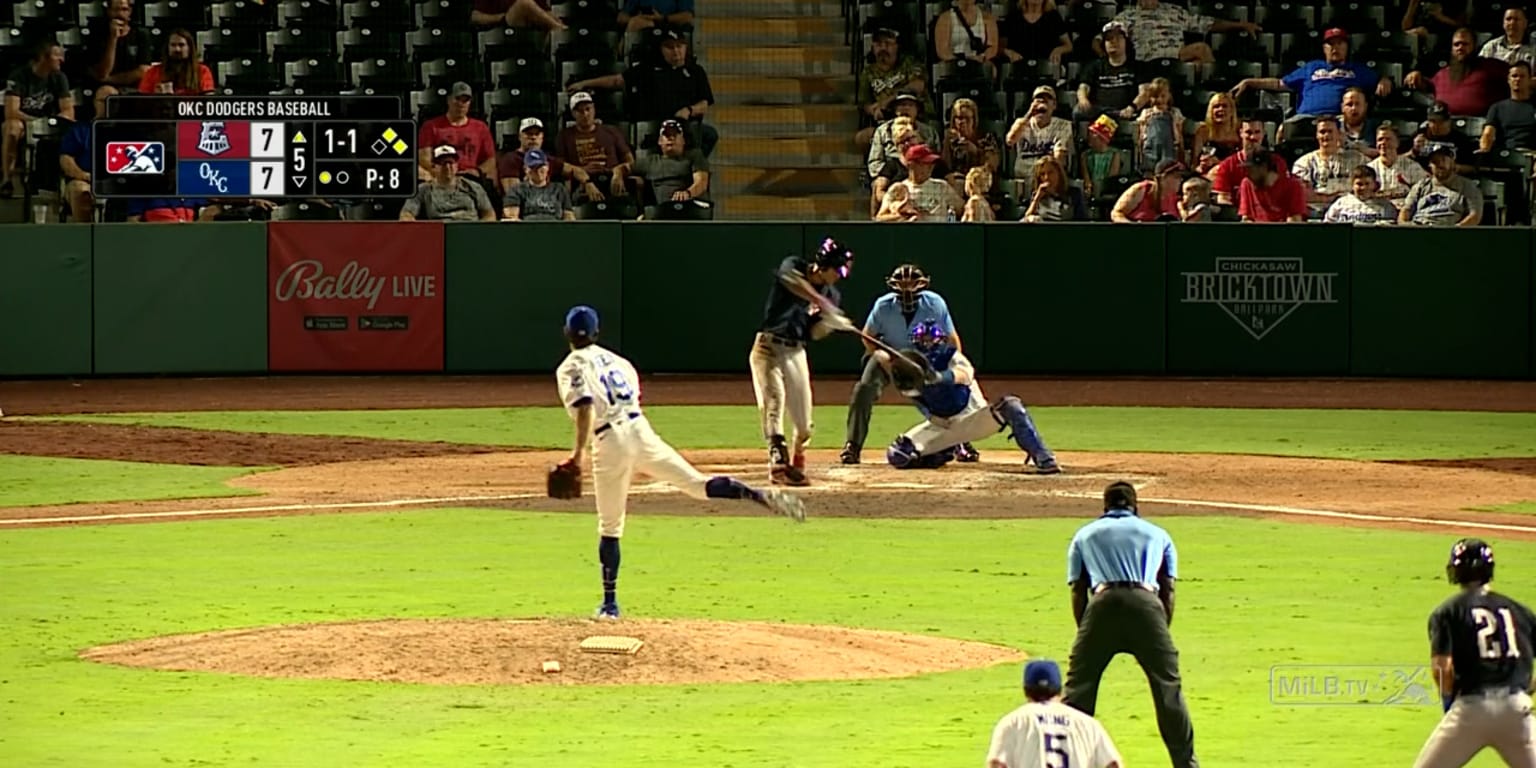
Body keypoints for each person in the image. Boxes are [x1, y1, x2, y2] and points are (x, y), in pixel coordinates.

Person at [556, 307, 805, 618]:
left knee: (610, 526)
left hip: (610, 442)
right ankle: (756, 494)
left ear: (566, 333)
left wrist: (577, 455)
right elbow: (630, 397)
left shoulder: (569, 367)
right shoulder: (619, 361)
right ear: (596, 333)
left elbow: (585, 409)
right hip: (640, 429)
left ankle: (610, 604)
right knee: (697, 485)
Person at [1063, 481, 1197, 768]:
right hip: (1146, 604)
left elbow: (1078, 589)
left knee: (1079, 690)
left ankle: (1067, 762)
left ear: (1105, 507)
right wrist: (1160, 628)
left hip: (1102, 604)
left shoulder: (1084, 535)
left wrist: (1085, 634)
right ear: (1136, 507)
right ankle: (1186, 765)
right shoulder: (1159, 534)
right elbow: (1168, 588)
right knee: (1167, 689)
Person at [1411, 538, 1536, 768]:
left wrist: (1449, 703)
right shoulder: (1520, 611)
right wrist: (1527, 689)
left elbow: (1442, 667)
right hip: (1517, 710)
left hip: (1472, 709)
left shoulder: (1448, 611)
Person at [880, 321, 1059, 473]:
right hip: (941, 425)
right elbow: (909, 391)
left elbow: (964, 375)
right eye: (922, 341)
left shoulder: (953, 357)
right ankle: (943, 451)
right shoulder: (911, 371)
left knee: (1011, 405)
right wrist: (906, 370)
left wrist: (939, 377)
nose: (927, 345)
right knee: (899, 456)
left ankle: (1043, 457)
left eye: (930, 340)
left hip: (973, 419)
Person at [839, 264, 970, 465]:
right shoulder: (883, 306)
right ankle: (852, 446)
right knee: (864, 389)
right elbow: (867, 336)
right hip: (891, 357)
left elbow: (952, 338)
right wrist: (885, 359)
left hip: (923, 358)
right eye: (902, 285)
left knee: (941, 393)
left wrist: (955, 363)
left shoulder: (935, 303)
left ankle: (960, 440)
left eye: (911, 284)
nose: (907, 290)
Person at [749, 239, 856, 486]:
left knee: (804, 424)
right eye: (838, 270)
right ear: (825, 265)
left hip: (795, 352)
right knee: (773, 402)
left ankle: (798, 458)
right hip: (767, 347)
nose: (840, 276)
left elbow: (813, 334)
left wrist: (829, 324)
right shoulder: (794, 265)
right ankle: (777, 462)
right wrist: (822, 303)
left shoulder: (832, 294)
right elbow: (792, 282)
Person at [986, 660, 1124, 768]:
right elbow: (1113, 764)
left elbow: (997, 764)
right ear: (1060, 690)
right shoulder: (1089, 724)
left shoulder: (1013, 722)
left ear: (1026, 690)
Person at [399, 145, 497, 221]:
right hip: (438, 234)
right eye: (443, 163)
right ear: (434, 167)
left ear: (457, 166)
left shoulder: (473, 187)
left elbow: (489, 214)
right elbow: (406, 214)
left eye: (451, 163)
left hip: (470, 231)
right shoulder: (423, 189)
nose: (447, 167)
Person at [1399, 143, 1483, 227]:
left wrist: (1456, 229)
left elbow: (1475, 216)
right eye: (1435, 161)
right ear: (1430, 165)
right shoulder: (1421, 186)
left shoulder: (1467, 186)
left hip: (1447, 230)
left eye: (1443, 160)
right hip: (1419, 228)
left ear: (1452, 161)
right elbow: (1406, 210)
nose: (1440, 164)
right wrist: (1405, 225)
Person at [1323, 165, 1398, 224]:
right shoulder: (1340, 203)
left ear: (1374, 185)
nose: (1363, 188)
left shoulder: (1385, 206)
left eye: (1367, 184)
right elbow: (1328, 225)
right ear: (1352, 185)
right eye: (1359, 184)